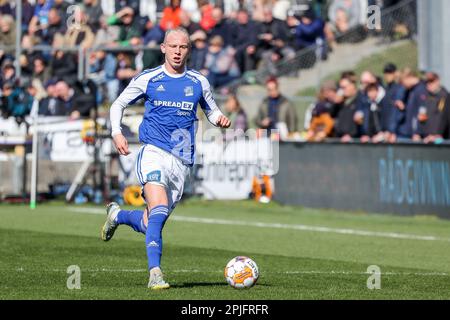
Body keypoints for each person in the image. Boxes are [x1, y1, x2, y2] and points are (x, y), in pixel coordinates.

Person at [101, 27, 231, 290]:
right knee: (159, 207)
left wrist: (220, 120)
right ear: (163, 48)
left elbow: (212, 111)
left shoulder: (198, 82)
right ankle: (155, 273)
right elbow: (118, 104)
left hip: (180, 161)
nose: (177, 52)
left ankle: (117, 215)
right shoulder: (149, 78)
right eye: (173, 46)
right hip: (153, 152)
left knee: (150, 220)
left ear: (189, 50)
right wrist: (117, 133)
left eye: (183, 47)